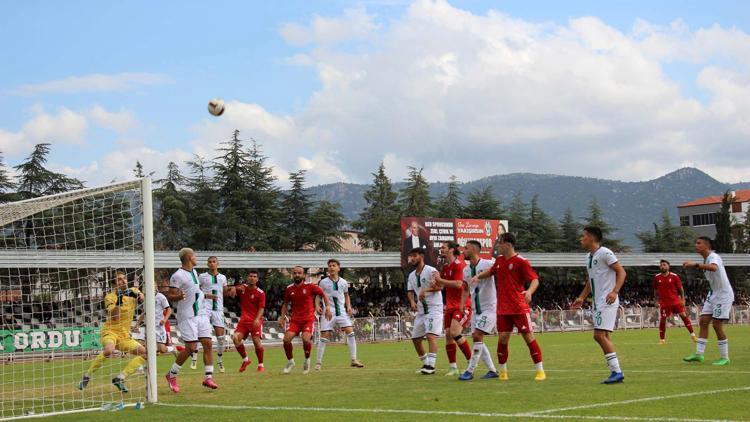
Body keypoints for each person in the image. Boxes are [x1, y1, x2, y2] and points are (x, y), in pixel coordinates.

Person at [472, 233, 545, 381]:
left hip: (519, 307)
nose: (498, 245)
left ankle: (540, 371)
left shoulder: (521, 261)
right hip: (502, 309)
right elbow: (492, 271)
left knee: (528, 338)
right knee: (503, 339)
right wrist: (478, 277)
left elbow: (535, 280)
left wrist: (529, 292)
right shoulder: (499, 260)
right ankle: (503, 372)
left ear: (509, 245)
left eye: (500, 243)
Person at [571, 226, 627, 384]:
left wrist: (615, 291)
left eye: (583, 236)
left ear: (591, 237)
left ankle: (617, 372)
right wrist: (581, 297)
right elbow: (591, 280)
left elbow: (621, 272)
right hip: (597, 301)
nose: (581, 239)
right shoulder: (588, 256)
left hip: (607, 300)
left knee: (598, 335)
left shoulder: (605, 253)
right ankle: (615, 372)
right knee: (605, 336)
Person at [78, 270, 145, 393]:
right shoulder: (110, 297)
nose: (123, 280)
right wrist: (120, 299)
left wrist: (138, 295)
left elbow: (142, 298)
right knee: (109, 350)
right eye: (119, 279)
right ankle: (87, 375)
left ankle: (120, 378)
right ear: (114, 284)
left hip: (124, 335)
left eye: (124, 278)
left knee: (145, 353)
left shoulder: (133, 290)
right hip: (110, 332)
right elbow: (115, 317)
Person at [164, 248, 218, 393]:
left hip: (200, 315)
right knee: (192, 347)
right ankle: (171, 375)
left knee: (207, 343)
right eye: (194, 255)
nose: (196, 257)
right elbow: (171, 296)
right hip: (187, 316)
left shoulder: (194, 272)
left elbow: (195, 292)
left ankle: (208, 377)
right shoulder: (177, 276)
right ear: (189, 257)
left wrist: (206, 296)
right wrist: (179, 297)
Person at [682, 237, 735, 365]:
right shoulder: (706, 259)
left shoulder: (713, 256)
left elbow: (714, 268)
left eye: (699, 243)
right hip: (713, 294)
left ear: (707, 246)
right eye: (696, 243)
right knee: (704, 321)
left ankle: (725, 357)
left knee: (717, 324)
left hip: (723, 295)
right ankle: (699, 354)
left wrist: (694, 264)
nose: (696, 245)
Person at [278, 266, 332, 374]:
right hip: (295, 320)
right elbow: (285, 304)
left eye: (299, 273)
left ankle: (307, 360)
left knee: (306, 339)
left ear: (303, 275)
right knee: (286, 340)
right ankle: (291, 362)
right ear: (292, 275)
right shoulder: (289, 289)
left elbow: (323, 294)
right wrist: (282, 317)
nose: (297, 275)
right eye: (295, 273)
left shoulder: (310, 286)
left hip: (308, 319)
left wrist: (328, 307)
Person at [459, 240, 498, 380]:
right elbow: (465, 288)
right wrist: (462, 304)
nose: (463, 251)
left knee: (477, 336)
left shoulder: (488, 264)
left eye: (466, 248)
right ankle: (492, 370)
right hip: (476, 310)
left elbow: (495, 271)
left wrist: (480, 276)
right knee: (478, 338)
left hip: (489, 308)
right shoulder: (466, 270)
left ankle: (470, 370)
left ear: (474, 250)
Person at [315, 259, 364, 370]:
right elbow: (318, 296)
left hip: (341, 311)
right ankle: (318, 363)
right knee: (324, 336)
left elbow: (346, 295)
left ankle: (353, 359)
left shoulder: (343, 282)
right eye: (330, 266)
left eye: (334, 265)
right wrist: (317, 306)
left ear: (338, 268)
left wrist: (349, 306)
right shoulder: (323, 282)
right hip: (329, 312)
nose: (331, 267)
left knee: (350, 332)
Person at [431, 241, 471, 376]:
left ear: (451, 250)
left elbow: (459, 284)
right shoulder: (446, 267)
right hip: (449, 306)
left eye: (443, 247)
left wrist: (440, 280)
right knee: (448, 335)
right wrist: (432, 285)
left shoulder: (459, 265)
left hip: (462, 305)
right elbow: (441, 286)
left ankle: (471, 362)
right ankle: (453, 367)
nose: (441, 249)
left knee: (454, 332)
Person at [406, 247, 442, 375]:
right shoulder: (411, 275)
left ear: (421, 256)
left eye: (415, 255)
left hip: (434, 308)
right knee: (416, 339)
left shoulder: (431, 270)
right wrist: (412, 302)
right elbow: (410, 291)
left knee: (430, 335)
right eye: (411, 256)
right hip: (421, 311)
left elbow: (440, 286)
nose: (412, 258)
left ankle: (431, 366)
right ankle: (426, 363)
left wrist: (426, 290)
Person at [197, 256, 230, 373]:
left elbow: (225, 292)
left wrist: (231, 290)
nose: (212, 264)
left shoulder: (223, 278)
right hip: (205, 309)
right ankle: (195, 358)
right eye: (210, 262)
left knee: (221, 338)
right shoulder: (202, 277)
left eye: (214, 262)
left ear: (218, 264)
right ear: (207, 264)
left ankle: (220, 360)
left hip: (218, 309)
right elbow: (196, 289)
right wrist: (205, 295)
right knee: (204, 336)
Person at [653, 259, 696, 344]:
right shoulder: (657, 277)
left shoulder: (674, 276)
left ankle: (693, 336)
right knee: (663, 320)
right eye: (661, 265)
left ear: (669, 266)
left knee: (683, 315)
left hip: (675, 301)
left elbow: (681, 289)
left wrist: (683, 299)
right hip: (664, 303)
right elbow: (655, 291)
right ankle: (662, 340)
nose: (662, 266)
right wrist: (656, 301)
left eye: (664, 265)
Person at [232, 270, 266, 372]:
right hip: (243, 321)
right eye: (250, 276)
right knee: (235, 338)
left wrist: (257, 319)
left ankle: (261, 364)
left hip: (255, 321)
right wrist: (233, 288)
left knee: (256, 341)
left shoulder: (261, 293)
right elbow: (231, 290)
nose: (252, 278)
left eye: (254, 276)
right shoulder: (243, 288)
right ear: (248, 278)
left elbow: (261, 308)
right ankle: (246, 360)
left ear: (257, 279)